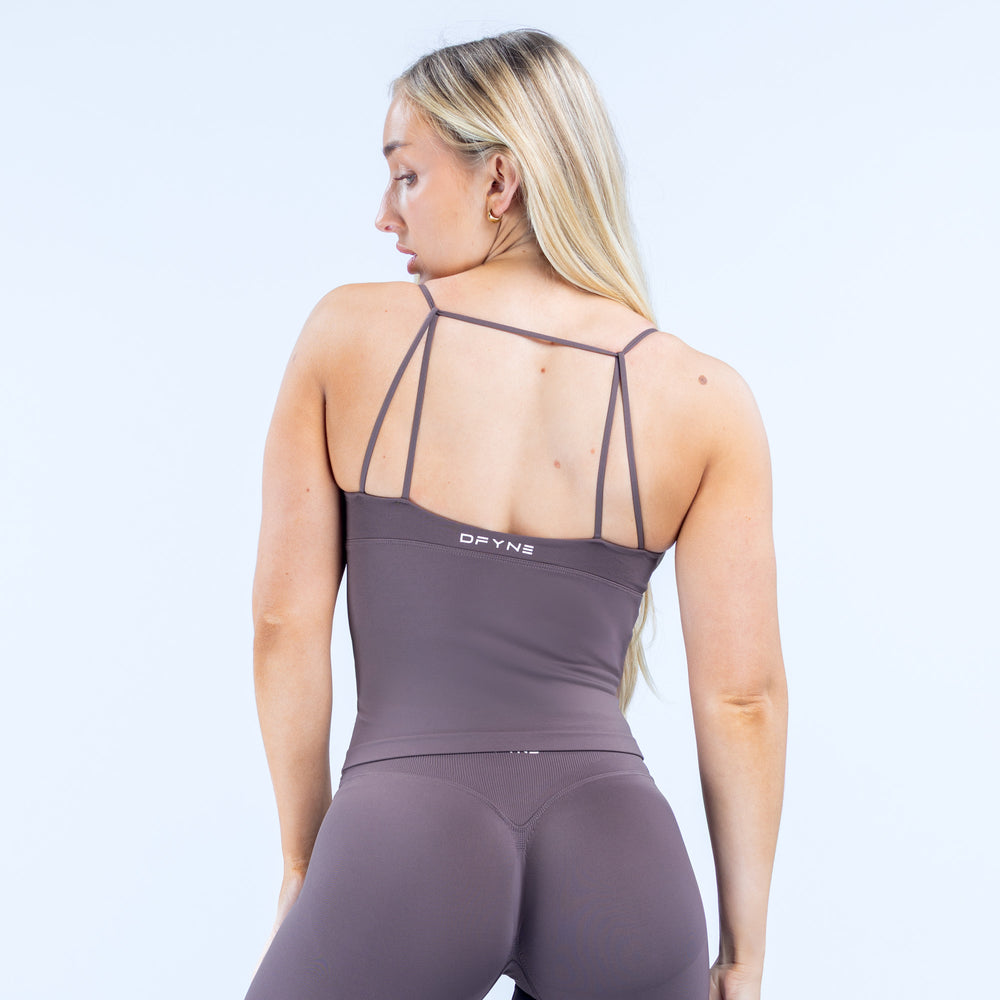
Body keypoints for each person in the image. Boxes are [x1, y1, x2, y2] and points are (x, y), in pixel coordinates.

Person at [244, 28, 787, 1000]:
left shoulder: (349, 335)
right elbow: (742, 698)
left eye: (406, 176)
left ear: (499, 180)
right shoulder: (705, 397)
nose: (384, 214)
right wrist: (743, 953)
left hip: (402, 840)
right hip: (623, 859)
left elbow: (285, 625)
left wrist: (302, 859)